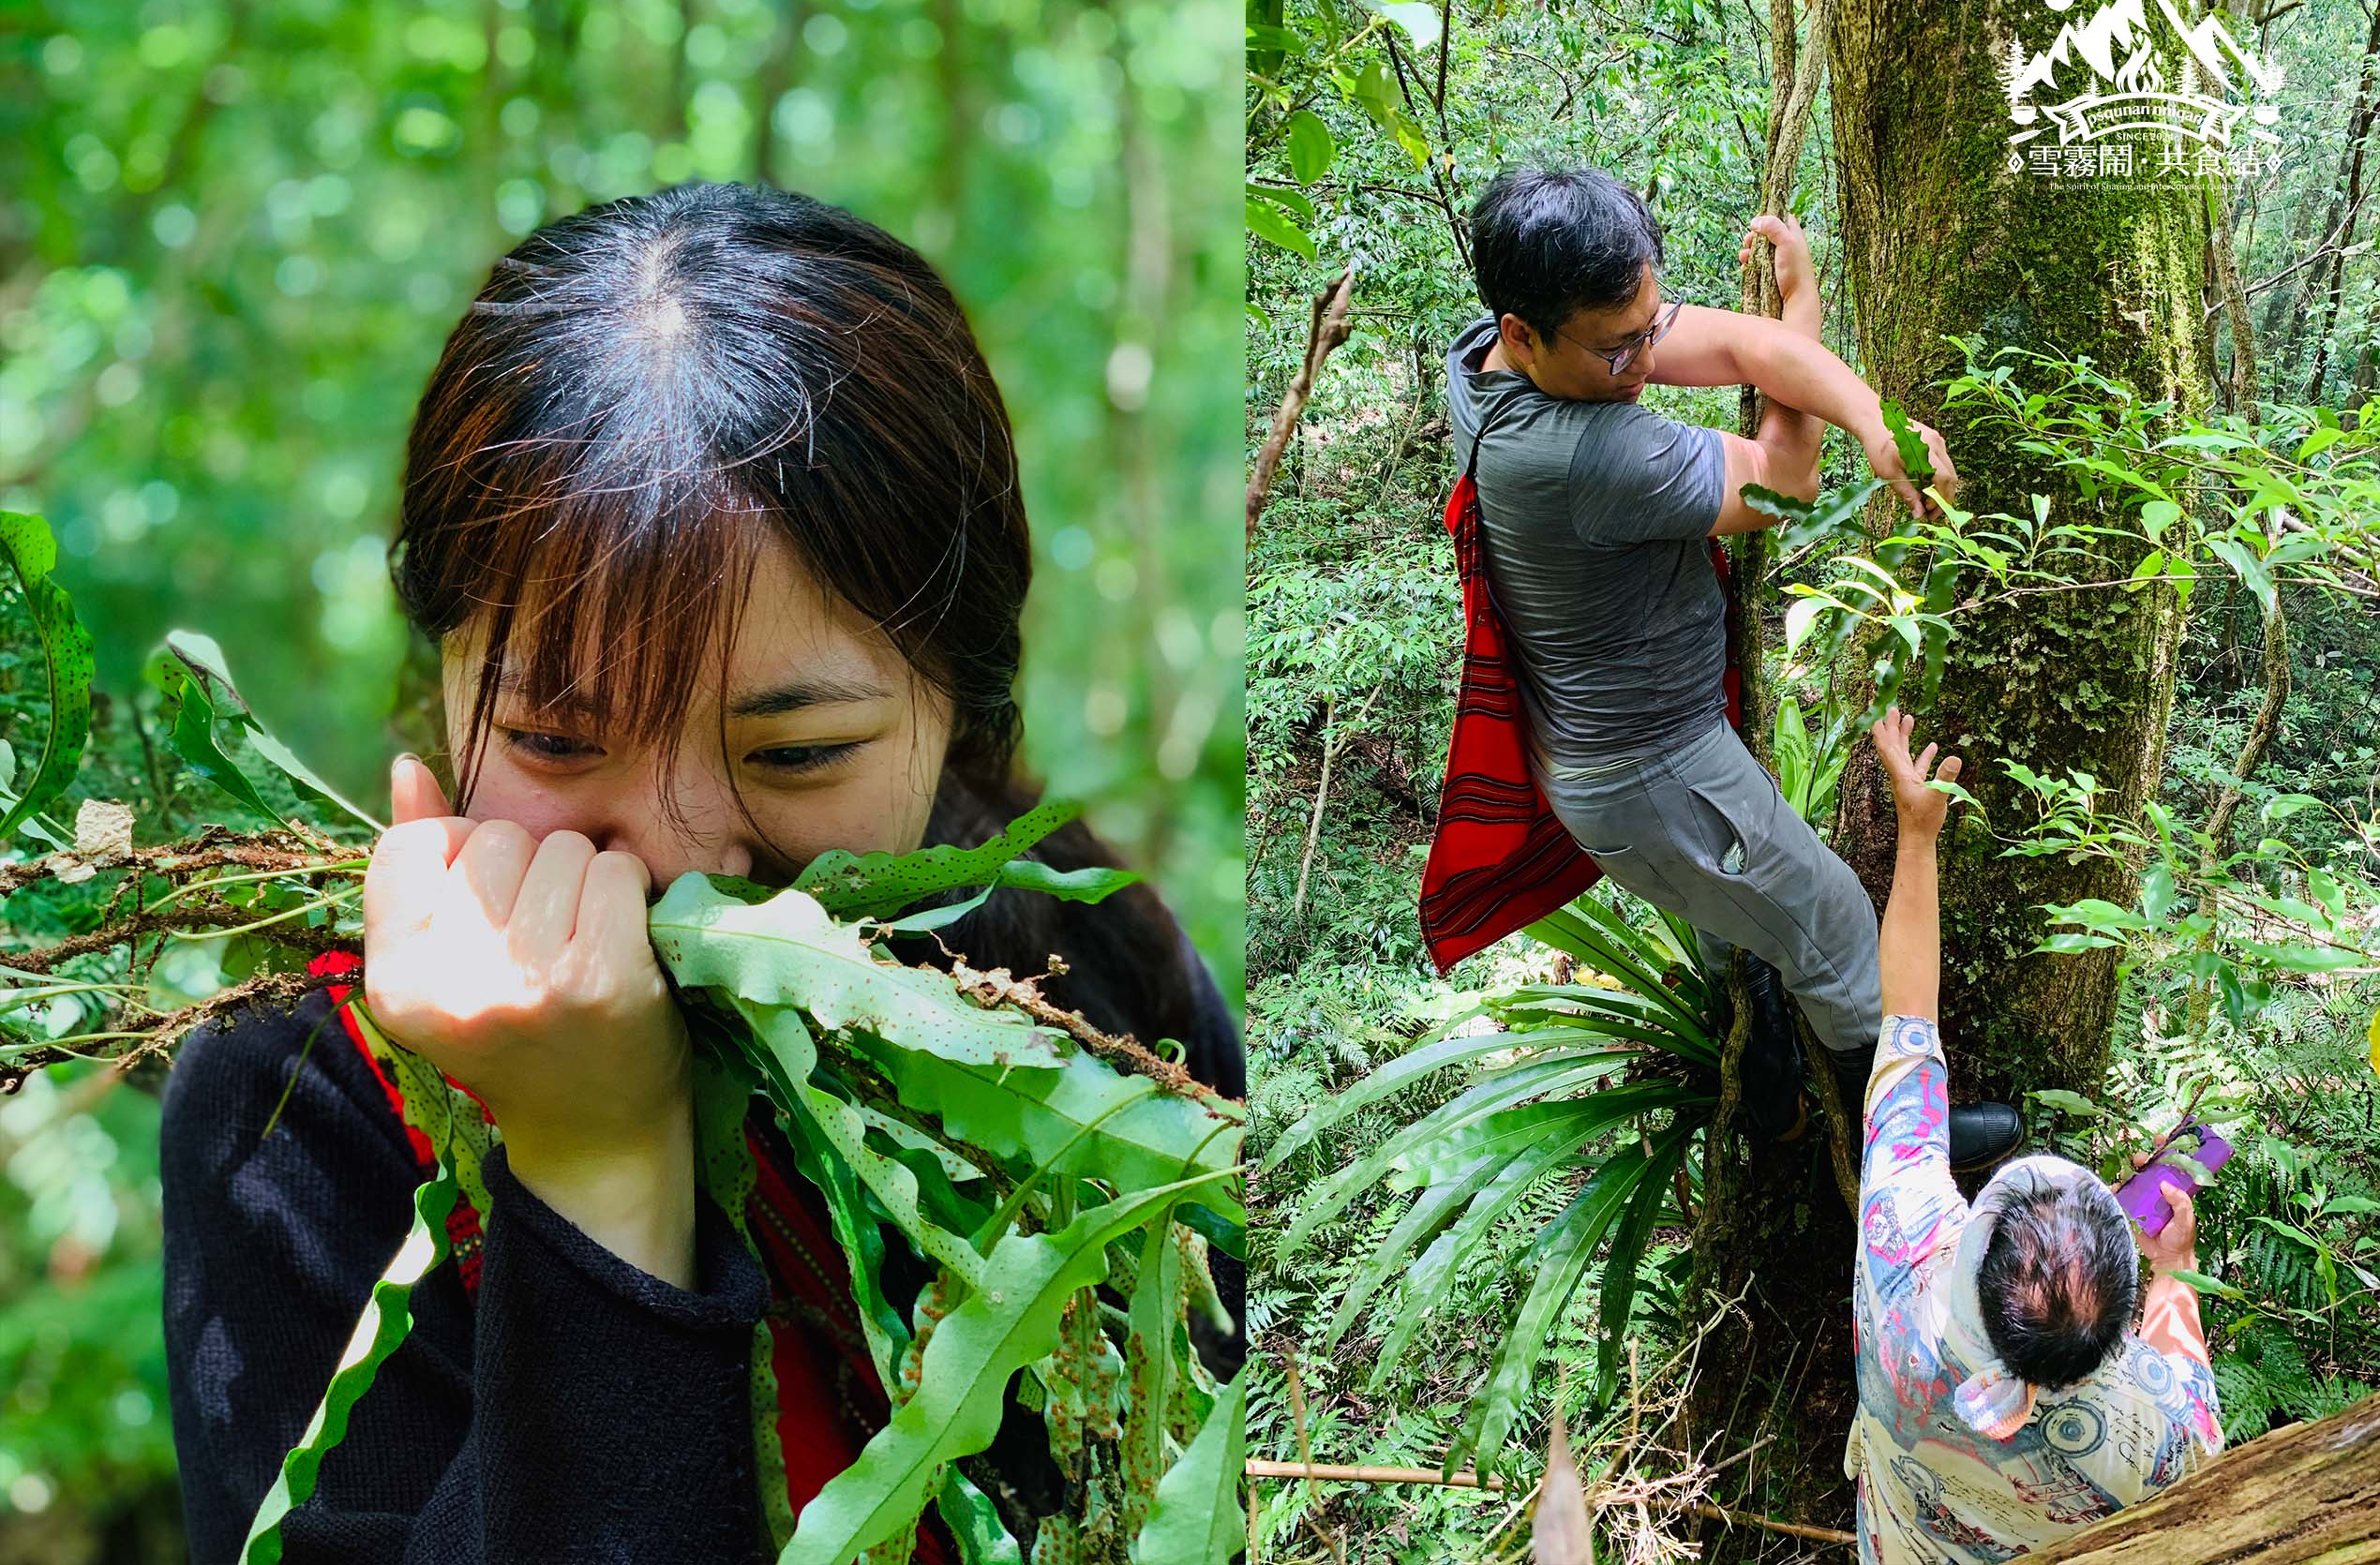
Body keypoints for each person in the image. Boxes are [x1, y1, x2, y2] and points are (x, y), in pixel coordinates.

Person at [157, 181, 1242, 1564]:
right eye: (557, 738)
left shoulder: (1079, 983)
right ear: (442, 673)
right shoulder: (297, 1113)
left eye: (794, 755)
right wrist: (595, 1166)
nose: (672, 863)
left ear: (956, 707)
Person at [1437, 159, 2018, 1166]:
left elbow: (1735, 347)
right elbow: (1786, 478)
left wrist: (1856, 400)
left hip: (1616, 744)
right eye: (1620, 351)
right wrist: (1809, 322)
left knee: (1736, 918)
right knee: (1833, 917)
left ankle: (1768, 1083)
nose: (1641, 362)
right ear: (1526, 330)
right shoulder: (1579, 456)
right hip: (1650, 768)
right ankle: (1892, 1137)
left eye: (1647, 333)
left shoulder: (1489, 355)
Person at [1847, 708, 2223, 1559]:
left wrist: (1916, 836)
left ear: (1977, 1238)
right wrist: (2176, 1265)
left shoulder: (1898, 1253)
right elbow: (2175, 1331)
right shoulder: (2167, 1434)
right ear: (2115, 1320)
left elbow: (1907, 1018)